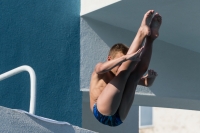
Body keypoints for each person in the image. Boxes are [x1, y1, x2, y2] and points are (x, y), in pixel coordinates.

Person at [89, 10, 162, 127]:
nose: (120, 66)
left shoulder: (121, 76)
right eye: (118, 62)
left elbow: (146, 83)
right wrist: (125, 58)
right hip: (102, 112)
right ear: (110, 59)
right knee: (124, 72)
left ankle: (150, 39)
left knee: (135, 76)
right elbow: (100, 68)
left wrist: (151, 78)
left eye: (124, 60)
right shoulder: (100, 70)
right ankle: (141, 32)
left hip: (118, 116)